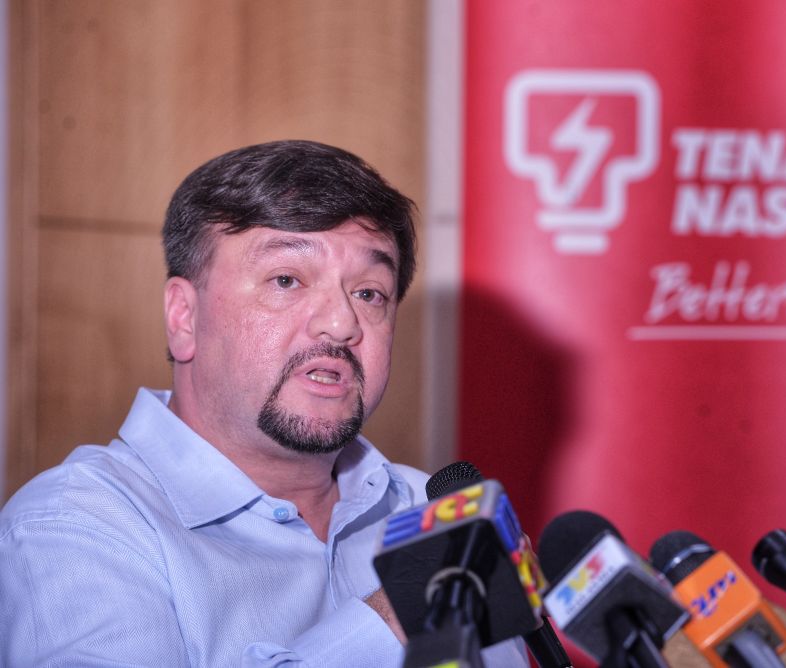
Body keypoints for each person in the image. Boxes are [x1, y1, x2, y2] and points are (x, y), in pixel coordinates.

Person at [0, 140, 527, 667]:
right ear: (185, 317)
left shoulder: (427, 509)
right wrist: (397, 617)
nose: (342, 324)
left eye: (370, 293)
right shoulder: (77, 525)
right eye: (286, 280)